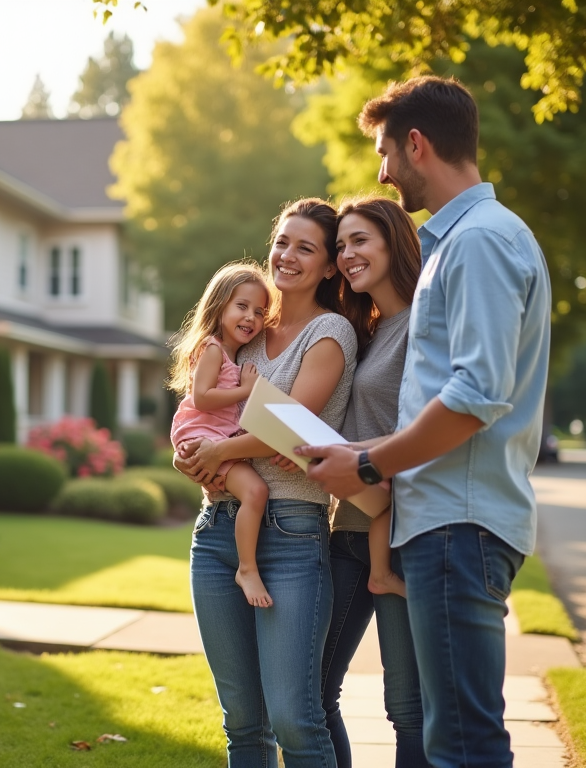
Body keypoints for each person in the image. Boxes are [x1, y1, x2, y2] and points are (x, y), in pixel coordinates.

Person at [296, 76, 552, 768]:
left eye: (384, 151)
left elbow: (475, 397)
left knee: (461, 742)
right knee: (451, 735)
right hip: (449, 523)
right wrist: (353, 451)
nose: (381, 171)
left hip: (457, 526)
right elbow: (451, 401)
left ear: (416, 144)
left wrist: (370, 464)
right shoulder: (464, 243)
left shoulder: (480, 243)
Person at [178, 198, 359, 768]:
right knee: (243, 724)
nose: (286, 255)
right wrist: (191, 457)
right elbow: (203, 408)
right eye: (282, 241)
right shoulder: (251, 330)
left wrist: (221, 451)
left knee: (294, 720)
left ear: (330, 267)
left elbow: (289, 429)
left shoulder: (330, 333)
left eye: (306, 247)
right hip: (216, 532)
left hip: (290, 534)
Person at [322, 197, 427, 768]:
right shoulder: (367, 330)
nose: (347, 254)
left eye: (359, 240)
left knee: (406, 707)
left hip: (404, 532)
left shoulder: (422, 324)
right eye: (341, 245)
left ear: (393, 241)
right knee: (313, 691)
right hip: (348, 529)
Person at [167, 262, 273, 607]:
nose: (251, 318)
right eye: (241, 307)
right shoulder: (213, 349)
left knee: (253, 491)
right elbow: (202, 397)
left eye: (260, 311)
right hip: (203, 434)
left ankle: (245, 566)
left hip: (214, 435)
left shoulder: (232, 353)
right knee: (256, 491)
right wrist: (247, 390)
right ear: (219, 306)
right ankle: (247, 568)